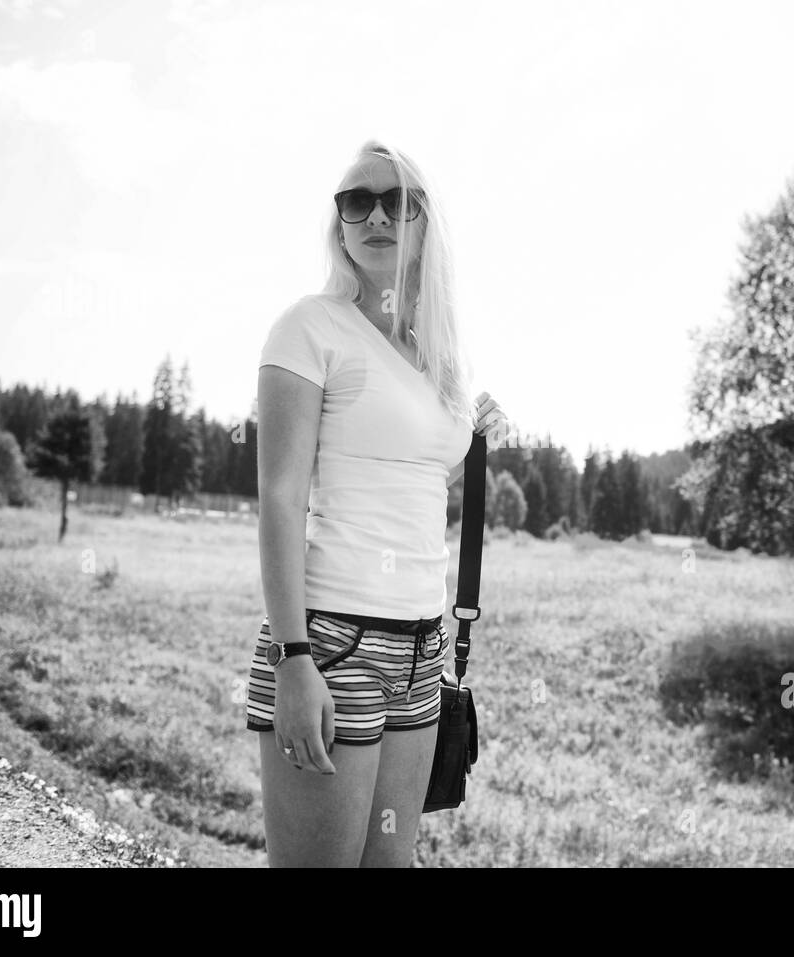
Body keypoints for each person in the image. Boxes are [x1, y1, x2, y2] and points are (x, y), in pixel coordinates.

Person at [245, 139, 506, 867]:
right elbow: (279, 497)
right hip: (332, 643)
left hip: (422, 648)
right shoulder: (308, 327)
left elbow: (406, 475)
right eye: (357, 200)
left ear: (426, 221)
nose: (377, 215)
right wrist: (295, 658)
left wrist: (471, 426)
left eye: (399, 201)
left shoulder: (437, 357)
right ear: (338, 221)